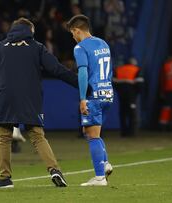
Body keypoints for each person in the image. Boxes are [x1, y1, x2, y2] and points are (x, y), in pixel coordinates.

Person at [0, 17, 78, 188]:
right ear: (30, 31)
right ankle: (54, 170)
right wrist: (80, 84)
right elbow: (57, 69)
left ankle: (4, 178)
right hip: (30, 99)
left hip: (5, 98)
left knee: (4, 138)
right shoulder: (36, 47)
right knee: (37, 136)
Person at [67, 14, 114, 186]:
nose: (73, 37)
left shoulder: (80, 48)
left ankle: (100, 177)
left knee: (91, 135)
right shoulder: (103, 43)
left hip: (93, 95)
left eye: (72, 33)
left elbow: (83, 72)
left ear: (77, 30)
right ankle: (105, 163)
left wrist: (82, 98)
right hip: (107, 93)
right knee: (94, 133)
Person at [113, 58, 143, 137]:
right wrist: (137, 93)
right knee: (132, 113)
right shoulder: (136, 69)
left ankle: (123, 132)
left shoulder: (118, 69)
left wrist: (119, 90)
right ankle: (132, 133)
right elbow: (140, 83)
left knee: (122, 113)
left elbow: (113, 82)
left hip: (121, 94)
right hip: (132, 94)